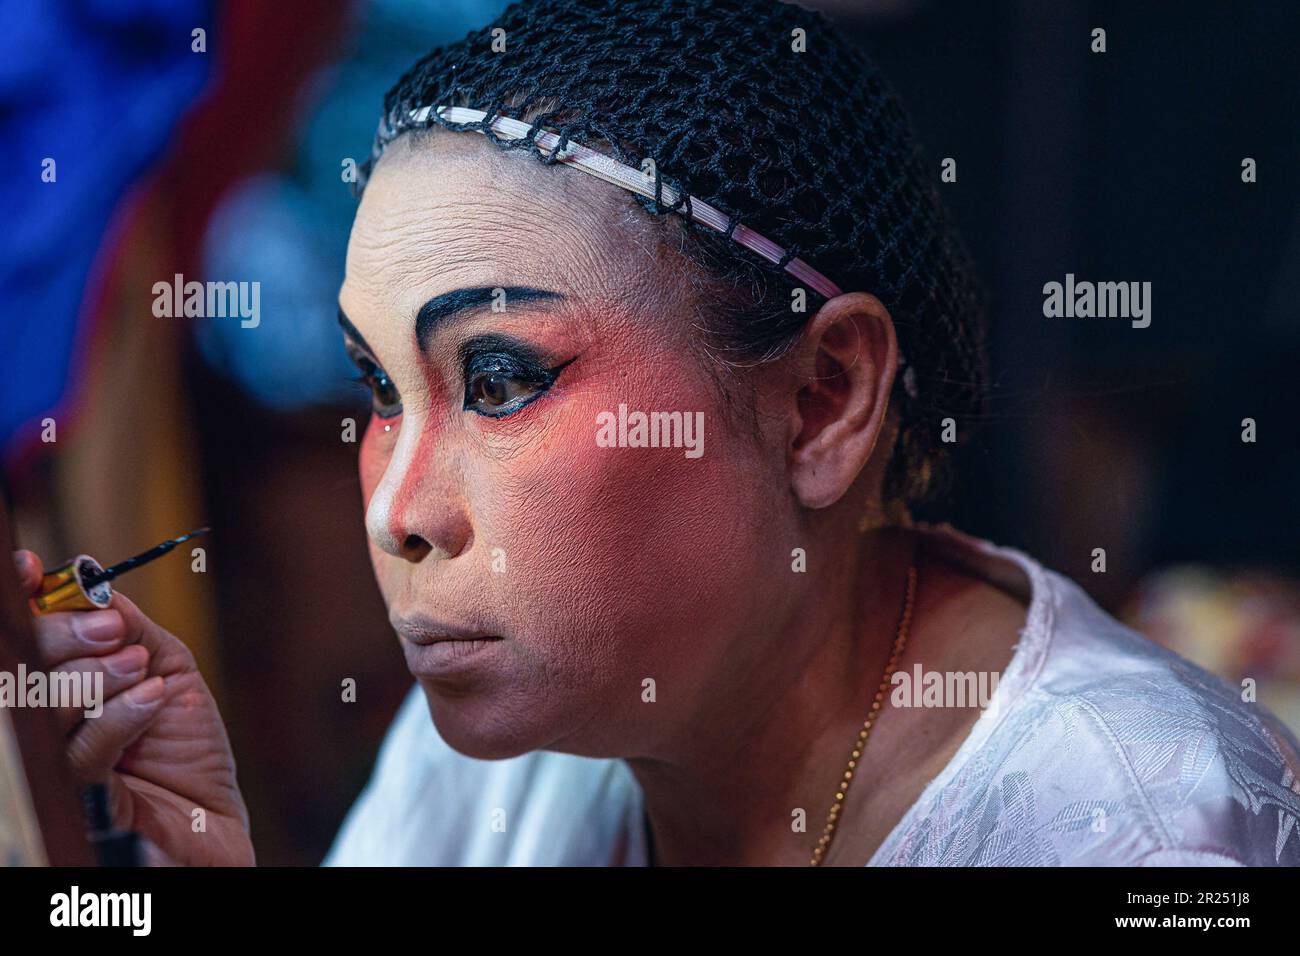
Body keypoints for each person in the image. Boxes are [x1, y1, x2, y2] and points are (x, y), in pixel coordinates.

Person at [15, 0, 1300, 866]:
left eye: (504, 377)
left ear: (822, 399)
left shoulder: (1139, 830)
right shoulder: (501, 753)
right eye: (379, 390)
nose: (397, 511)